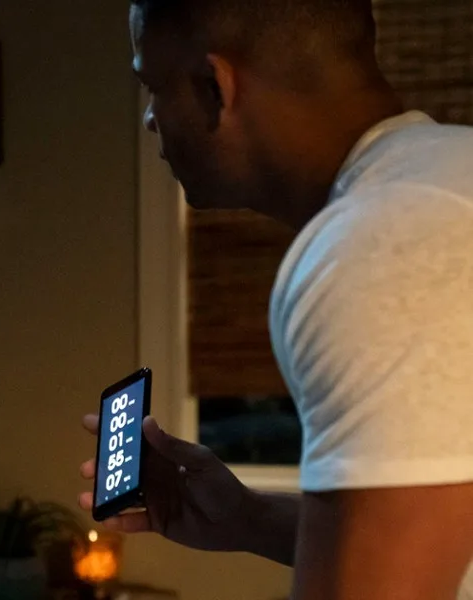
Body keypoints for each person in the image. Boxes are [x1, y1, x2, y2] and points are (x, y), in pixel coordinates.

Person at [78, 1, 473, 598]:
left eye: (154, 87)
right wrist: (249, 519)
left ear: (215, 87)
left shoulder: (379, 245)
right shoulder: (447, 175)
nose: (151, 119)